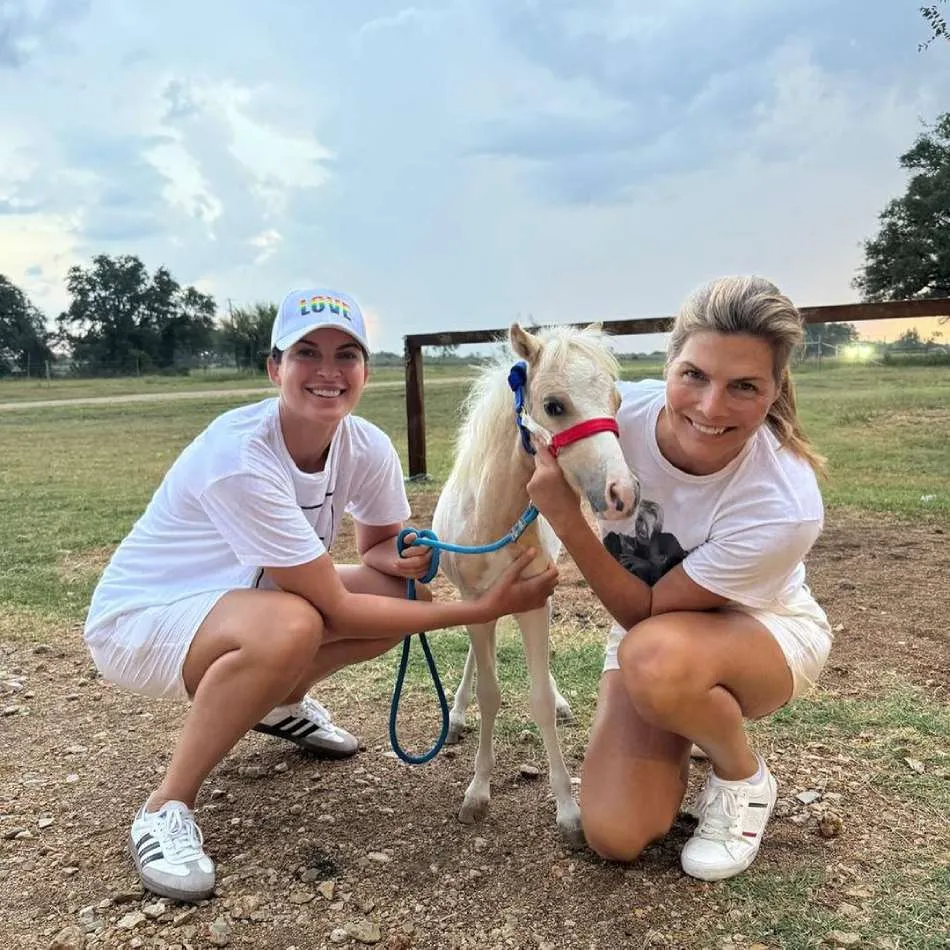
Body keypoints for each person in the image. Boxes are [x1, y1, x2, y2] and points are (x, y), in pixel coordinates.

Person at [83, 286, 558, 902]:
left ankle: (279, 703)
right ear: (274, 368)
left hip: (244, 602)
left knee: (404, 597)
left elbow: (378, 547)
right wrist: (485, 608)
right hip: (141, 622)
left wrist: (403, 557)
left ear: (365, 370)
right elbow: (333, 605)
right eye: (306, 353)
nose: (328, 371)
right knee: (292, 625)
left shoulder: (364, 444)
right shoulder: (240, 455)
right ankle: (165, 806)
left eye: (346, 355)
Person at [526, 275, 831, 882]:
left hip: (757, 629)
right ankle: (680, 718)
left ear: (775, 390)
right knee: (615, 834)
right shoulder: (616, 412)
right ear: (668, 365)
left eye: (744, 386)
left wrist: (567, 520)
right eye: (694, 375)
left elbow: (642, 614)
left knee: (654, 655)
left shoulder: (785, 503)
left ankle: (742, 777)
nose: (711, 408)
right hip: (658, 634)